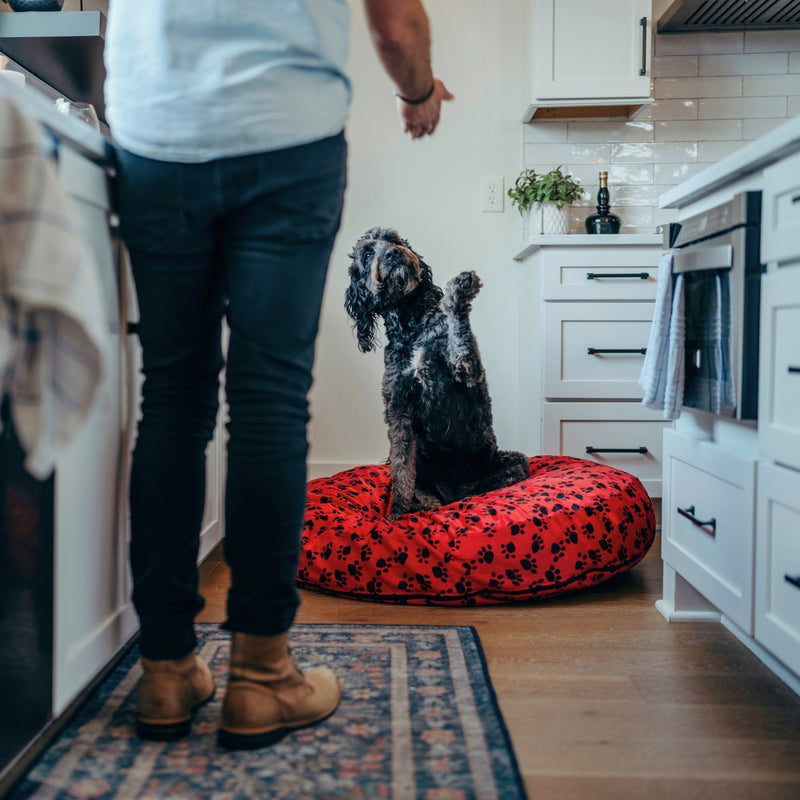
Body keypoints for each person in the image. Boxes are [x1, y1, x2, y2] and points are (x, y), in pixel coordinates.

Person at [103, 0, 452, 750]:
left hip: (155, 127)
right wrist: (419, 92)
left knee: (171, 395)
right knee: (267, 402)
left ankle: (166, 669)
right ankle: (262, 677)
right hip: (286, 130)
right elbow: (395, 23)